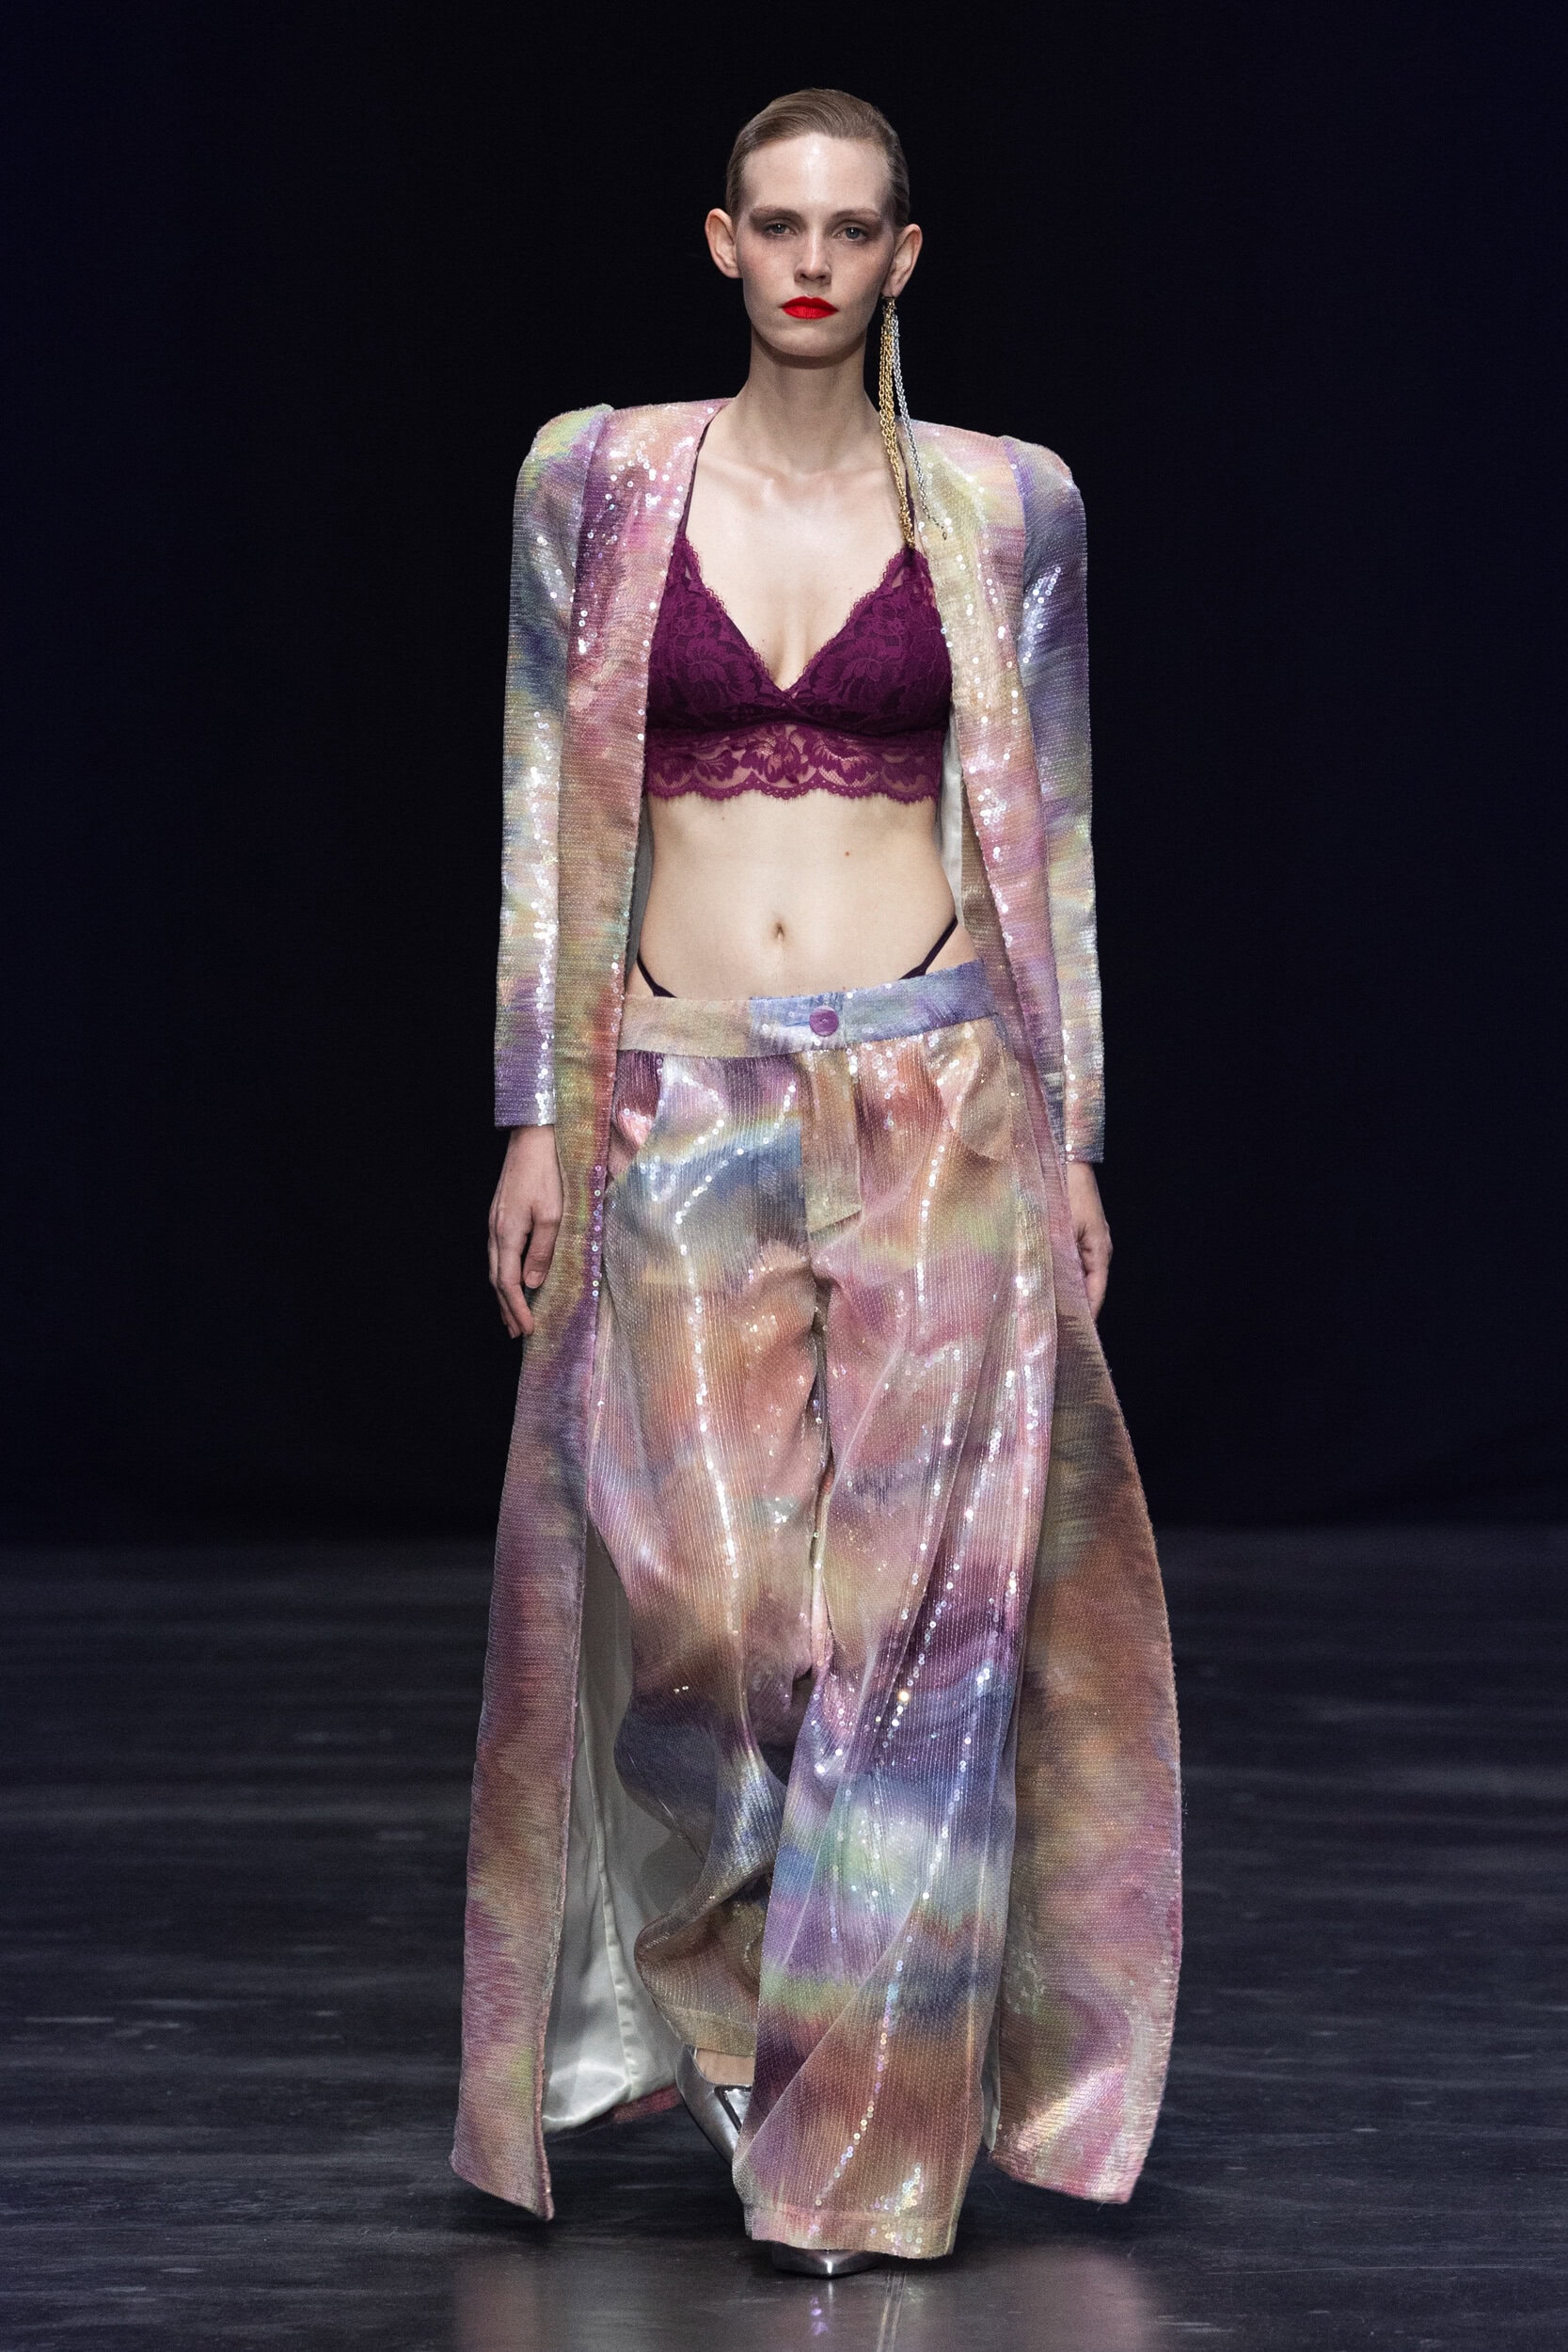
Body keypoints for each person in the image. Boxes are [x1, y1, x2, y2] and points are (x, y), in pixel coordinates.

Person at [453, 87, 1180, 2276]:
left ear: (901, 256)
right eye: (776, 222)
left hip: (937, 1092)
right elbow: (539, 796)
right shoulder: (595, 479)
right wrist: (534, 1106)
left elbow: (1050, 829)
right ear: (719, 238)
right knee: (703, 1607)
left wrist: (1073, 1128)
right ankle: (727, 2010)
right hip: (679, 1096)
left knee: (924, 1644)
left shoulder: (1006, 502)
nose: (809, 260)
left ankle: (855, 2160)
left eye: (849, 228)